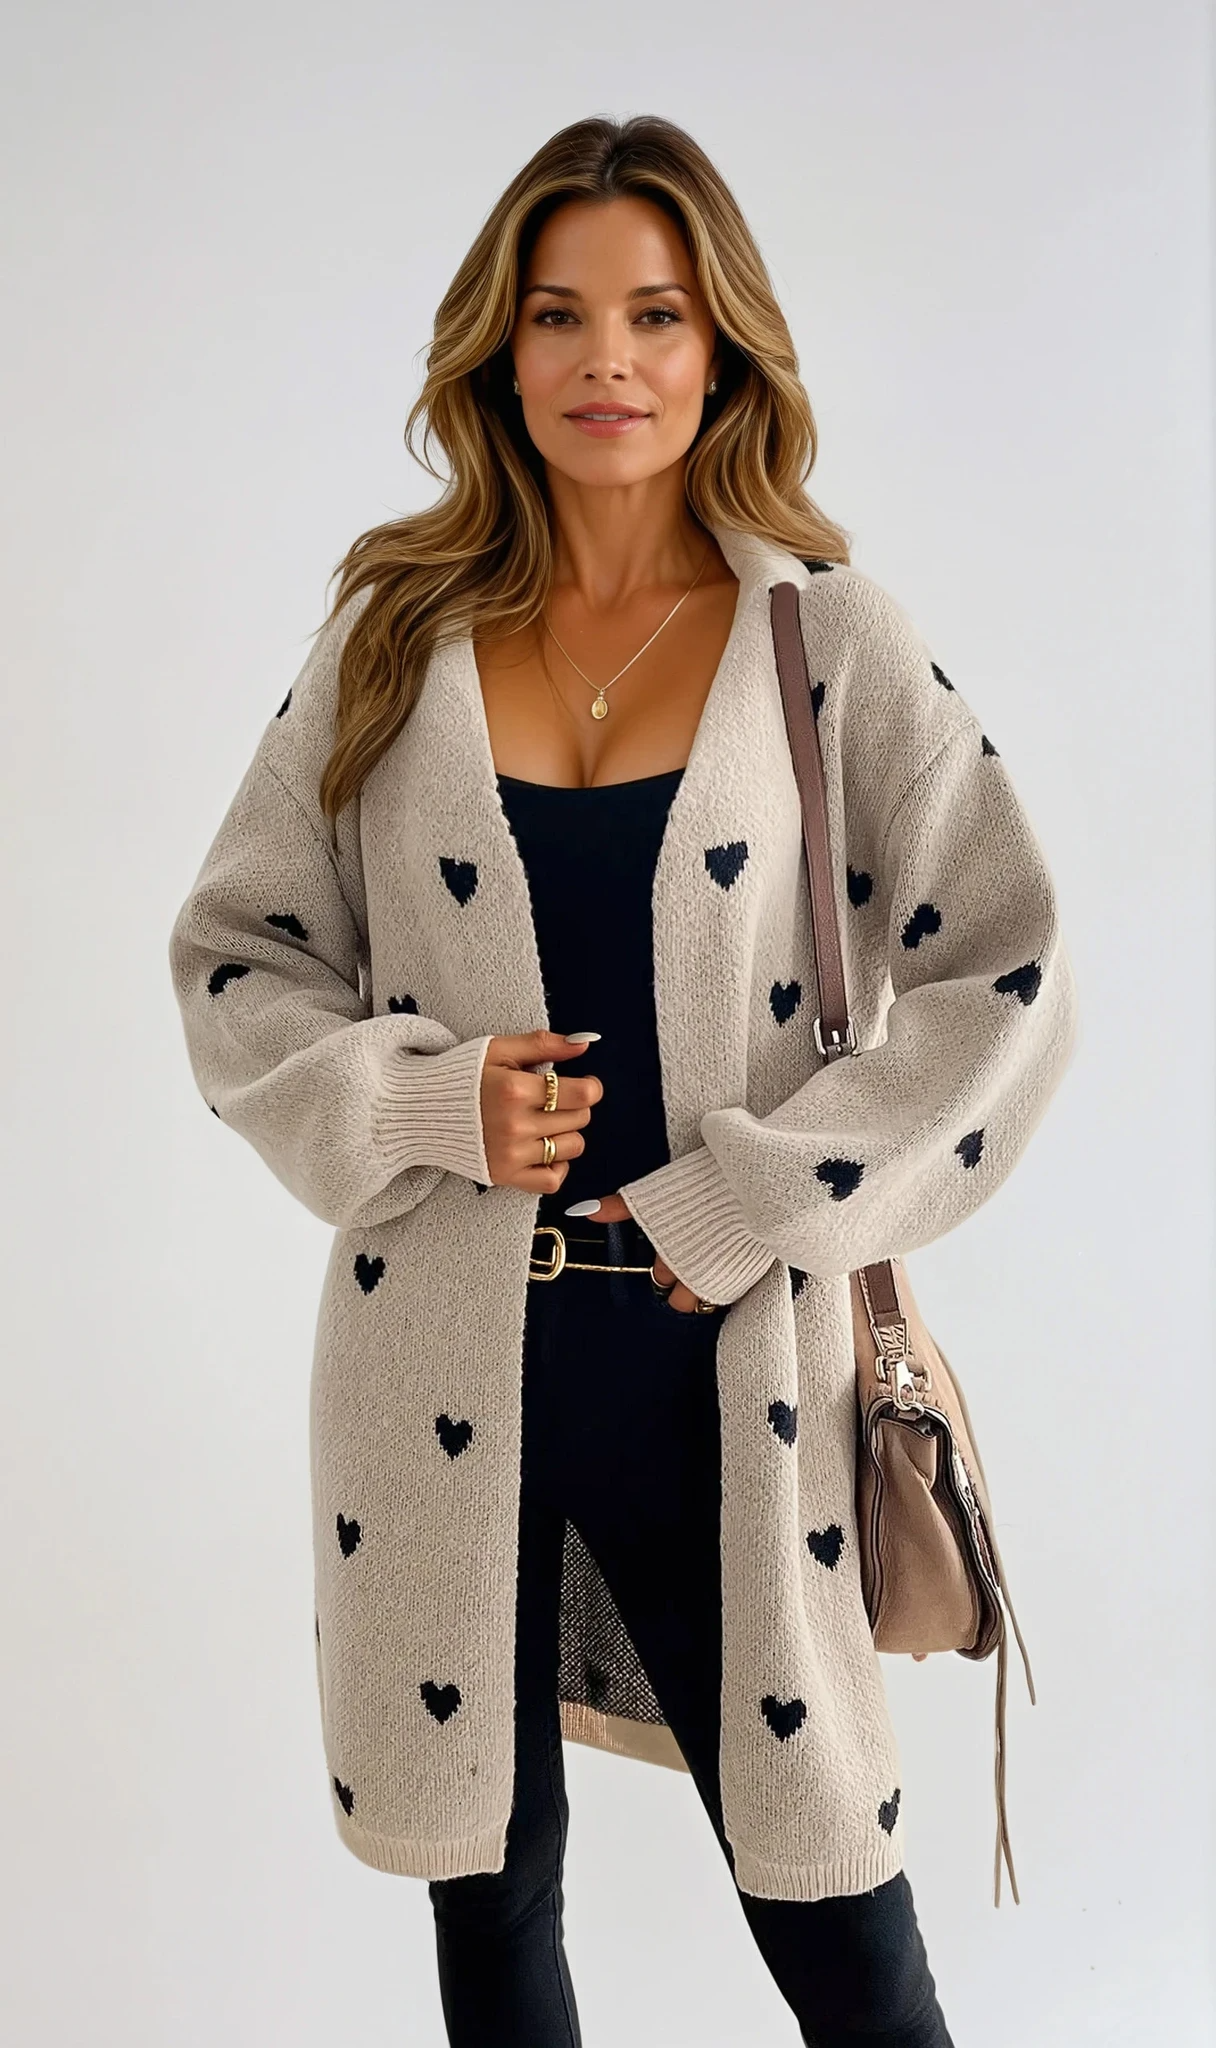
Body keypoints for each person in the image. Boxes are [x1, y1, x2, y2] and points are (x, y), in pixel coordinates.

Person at [168, 113, 1079, 2048]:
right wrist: (426, 1103)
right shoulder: (393, 641)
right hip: (442, 1357)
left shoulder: (824, 639)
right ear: (499, 349)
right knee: (493, 1913)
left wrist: (758, 1193)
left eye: (657, 314)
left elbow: (1010, 975)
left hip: (730, 1366)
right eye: (561, 314)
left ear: (721, 346)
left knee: (842, 1923)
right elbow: (236, 961)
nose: (609, 360)